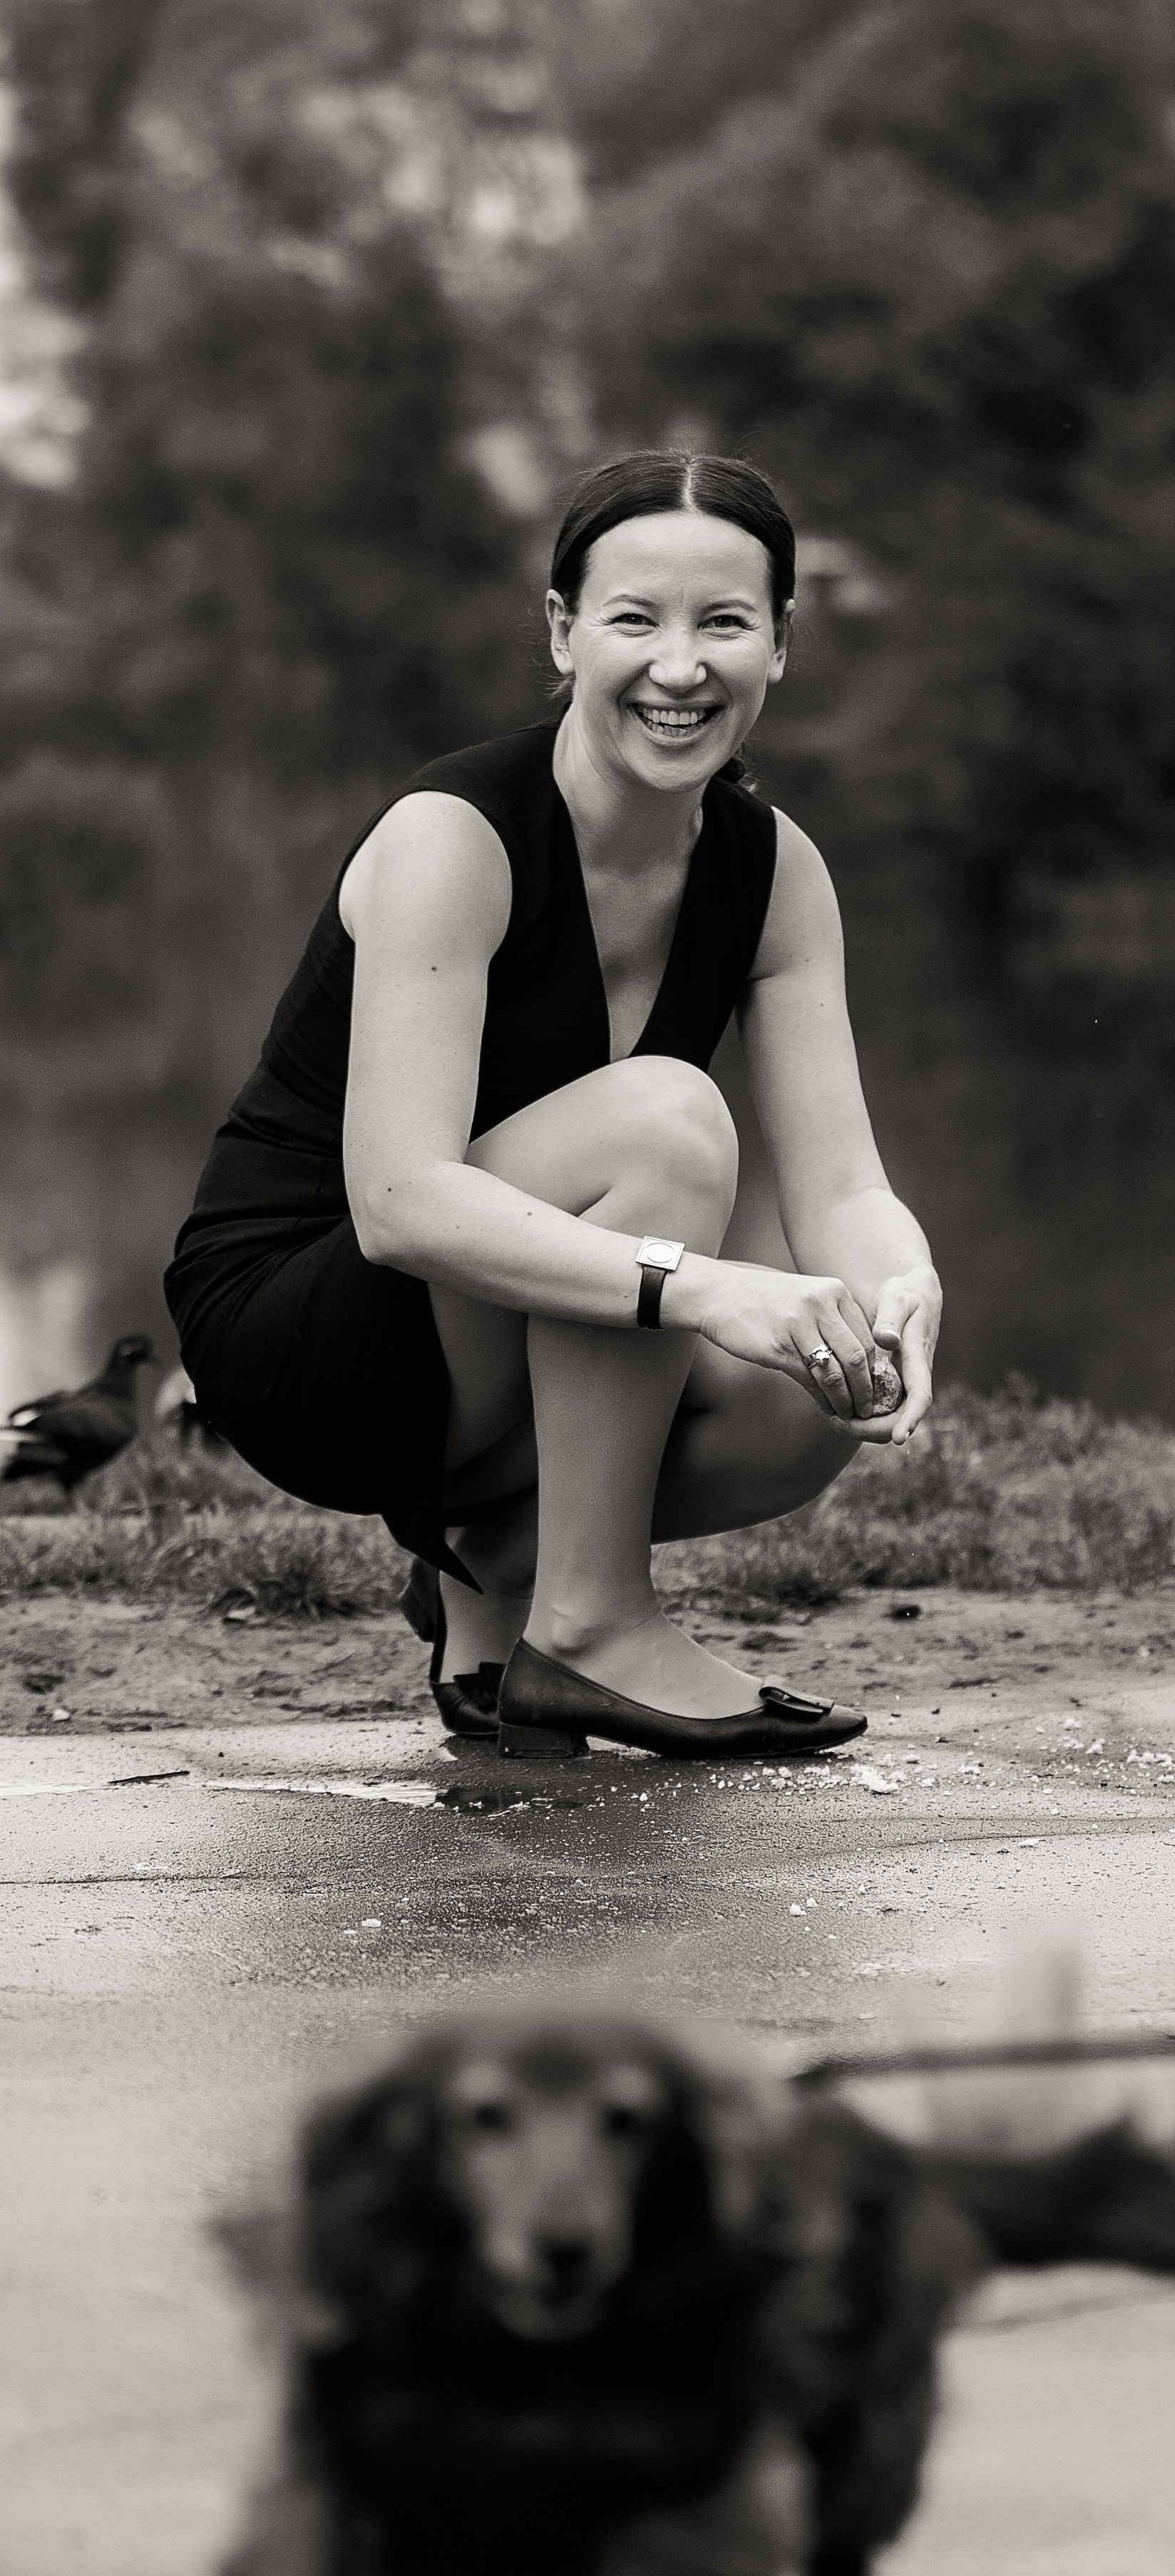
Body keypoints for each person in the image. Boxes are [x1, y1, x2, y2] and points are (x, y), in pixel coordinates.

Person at [166, 450, 942, 1759]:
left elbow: (843, 1186)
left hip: (498, 1326)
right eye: (636, 619)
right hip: (308, 1327)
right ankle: (590, 1624)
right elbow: (399, 1203)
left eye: (725, 623)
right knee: (667, 1122)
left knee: (816, 1387)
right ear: (563, 630)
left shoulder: (776, 874)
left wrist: (903, 1284)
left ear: (781, 643)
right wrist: (705, 1289)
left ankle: (495, 1580)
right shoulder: (454, 836)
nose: (680, 668)